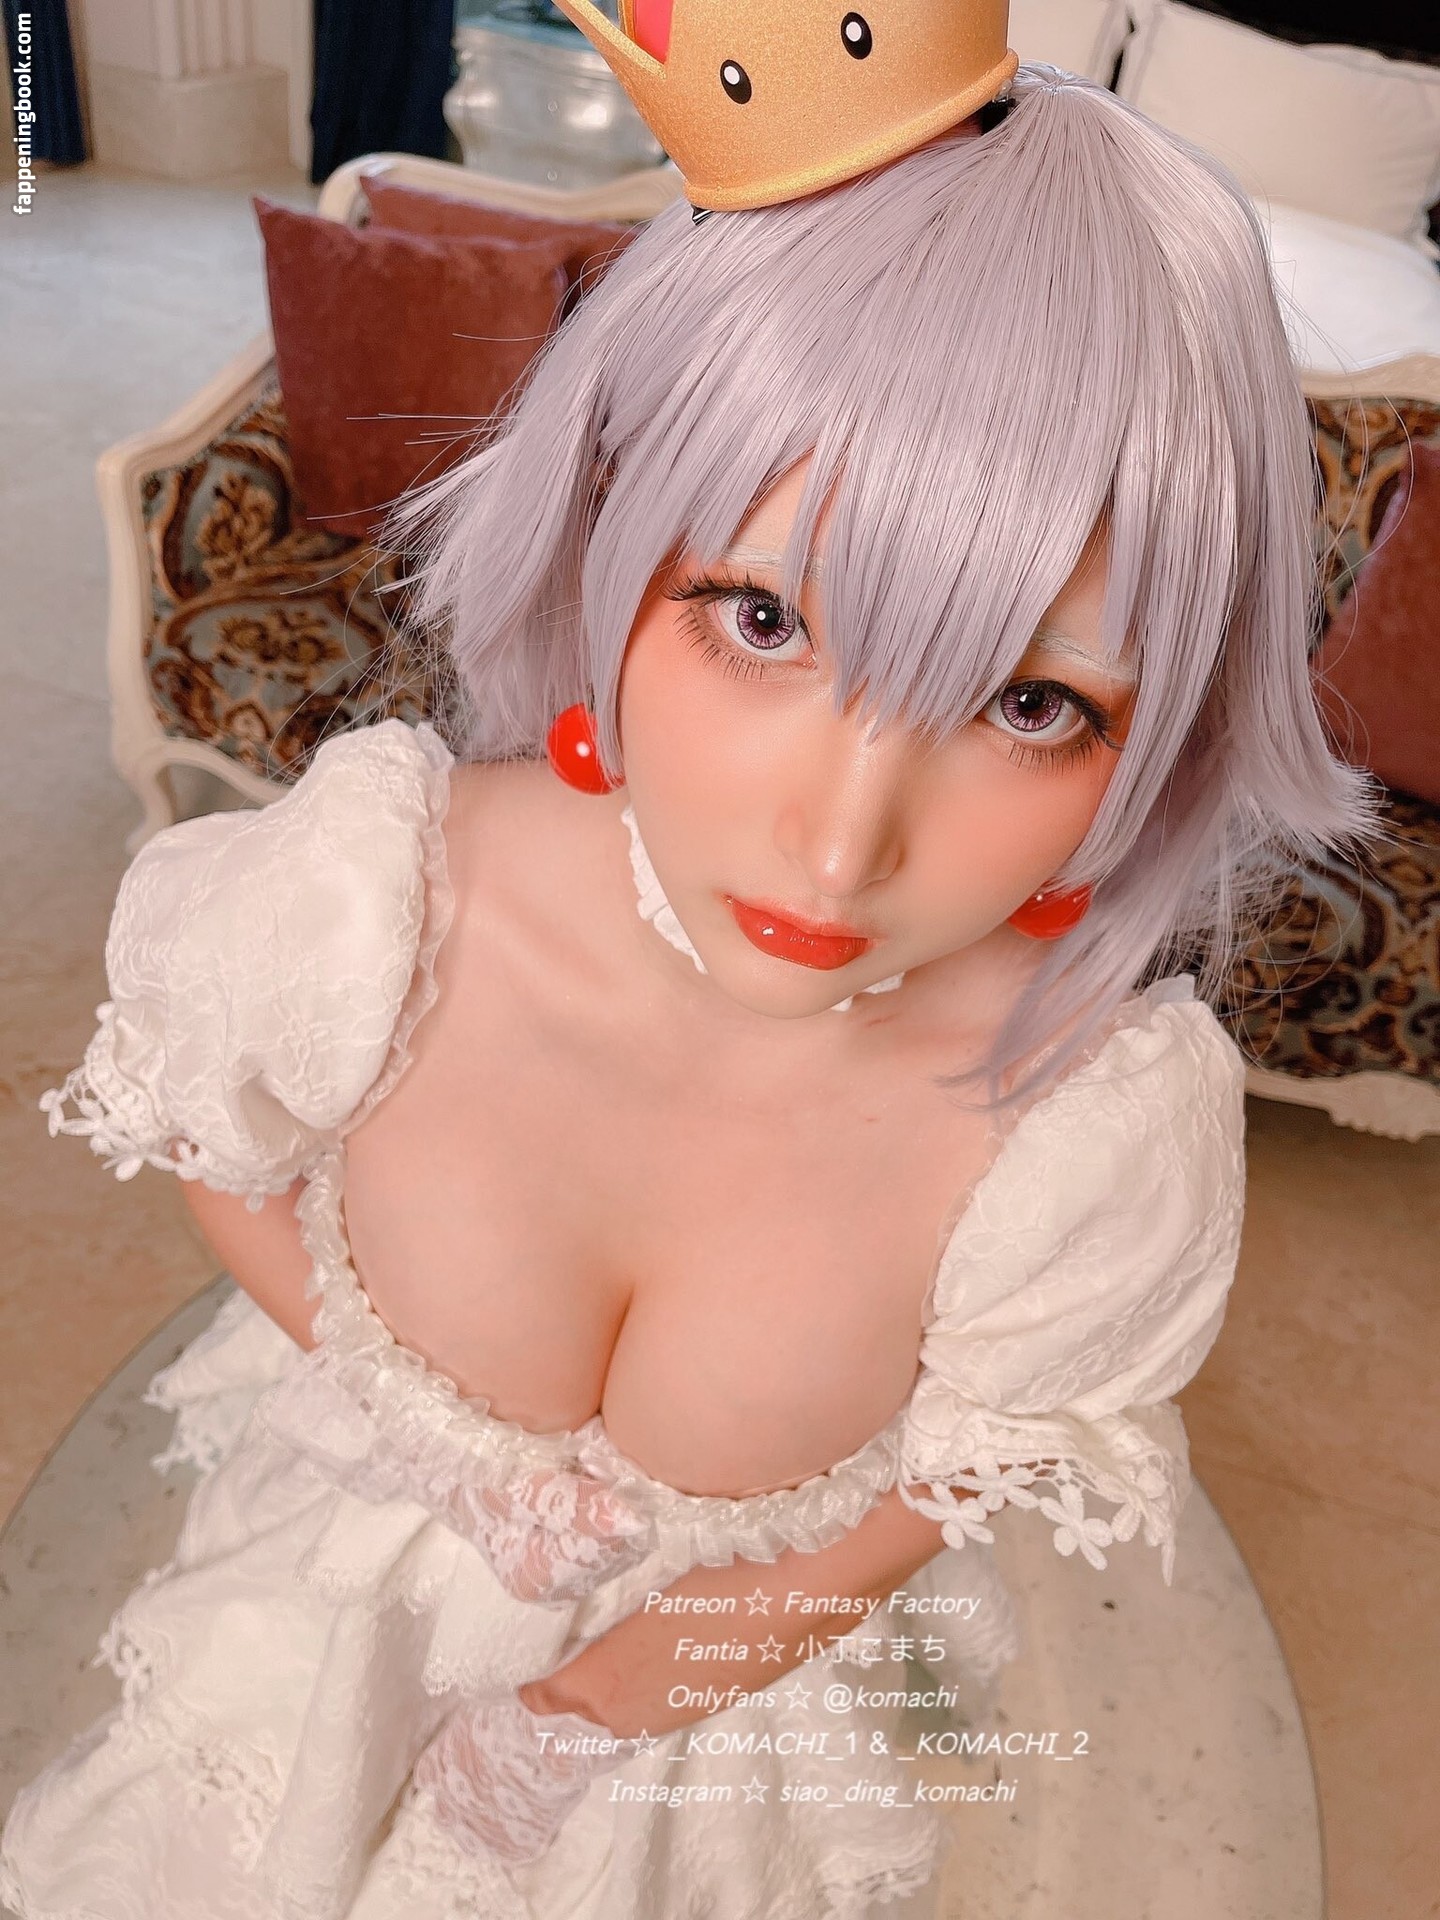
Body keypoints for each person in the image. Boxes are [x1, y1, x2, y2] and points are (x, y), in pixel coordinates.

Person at [2, 31, 1377, 1920]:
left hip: (701, 1773)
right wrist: (429, 1446)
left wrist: (592, 1713)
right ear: (613, 526)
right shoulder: (374, 902)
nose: (839, 848)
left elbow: (944, 1485)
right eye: (765, 615)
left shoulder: (1084, 1134)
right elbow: (214, 1147)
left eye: (1032, 704)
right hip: (304, 1651)